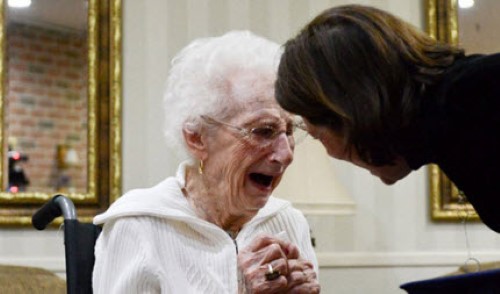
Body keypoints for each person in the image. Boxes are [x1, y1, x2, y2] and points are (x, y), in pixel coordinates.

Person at [92, 31, 320, 293]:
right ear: (197, 138)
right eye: (263, 131)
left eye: (290, 131)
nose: (286, 154)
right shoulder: (140, 225)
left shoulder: (289, 221)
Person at [275, 5, 500, 232]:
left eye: (319, 136)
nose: (332, 153)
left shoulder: (474, 97)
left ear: (352, 111)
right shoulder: (453, 115)